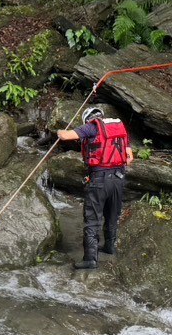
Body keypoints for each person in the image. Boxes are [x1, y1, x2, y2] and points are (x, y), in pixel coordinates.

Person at [56, 104, 133, 269]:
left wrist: (58, 132)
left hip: (98, 180)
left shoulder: (91, 128)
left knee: (92, 219)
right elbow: (129, 157)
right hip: (119, 179)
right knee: (112, 214)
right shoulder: (119, 129)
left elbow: (65, 136)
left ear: (88, 119)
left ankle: (91, 259)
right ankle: (110, 247)